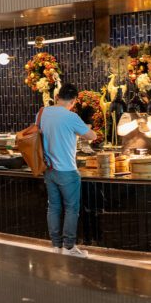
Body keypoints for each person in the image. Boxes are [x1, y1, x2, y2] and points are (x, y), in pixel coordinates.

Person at [39, 83, 97, 256]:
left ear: (57, 97)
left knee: (54, 207)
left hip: (49, 169)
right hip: (67, 171)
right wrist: (85, 128)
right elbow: (92, 137)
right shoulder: (71, 116)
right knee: (72, 208)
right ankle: (69, 247)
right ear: (73, 101)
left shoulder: (42, 112)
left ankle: (56, 246)